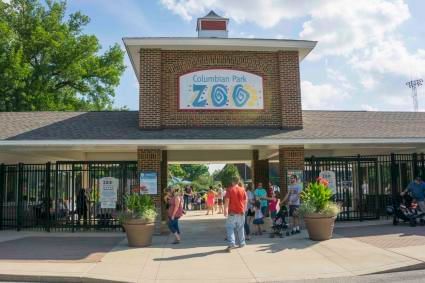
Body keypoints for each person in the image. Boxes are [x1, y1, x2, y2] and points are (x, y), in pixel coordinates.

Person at [224, 176, 247, 252]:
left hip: (232, 212)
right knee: (240, 228)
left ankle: (231, 243)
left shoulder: (229, 190)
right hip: (241, 212)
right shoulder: (243, 189)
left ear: (232, 182)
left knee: (230, 227)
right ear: (238, 181)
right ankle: (242, 243)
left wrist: (225, 210)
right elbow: (245, 201)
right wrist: (244, 209)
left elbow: (227, 200)